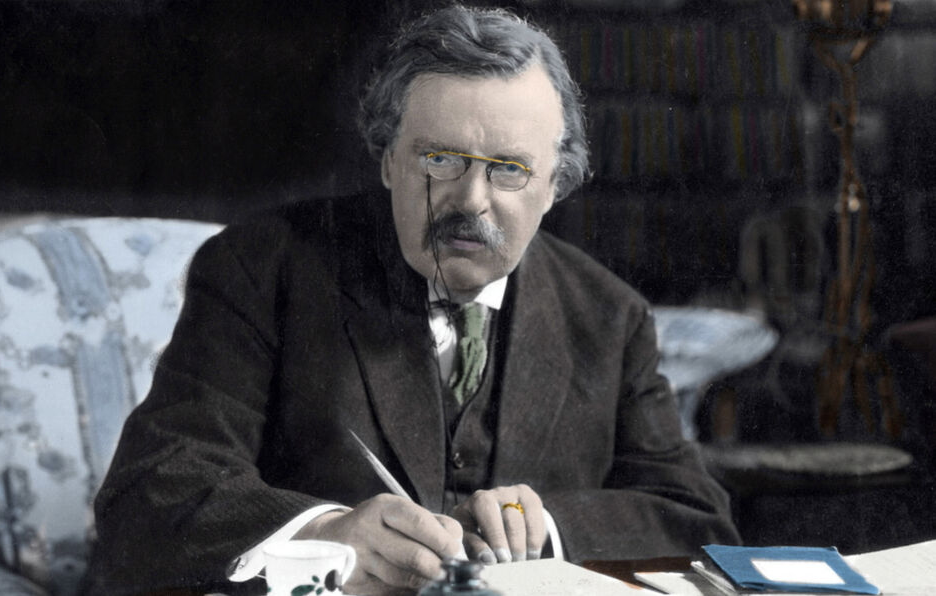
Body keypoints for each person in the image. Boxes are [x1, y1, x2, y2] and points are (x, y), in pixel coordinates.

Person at [84, 5, 739, 596]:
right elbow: (151, 493)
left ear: (554, 185)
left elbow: (695, 518)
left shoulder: (609, 315)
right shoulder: (262, 268)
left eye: (508, 169)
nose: (471, 201)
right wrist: (325, 535)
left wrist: (549, 525)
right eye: (439, 160)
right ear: (388, 161)